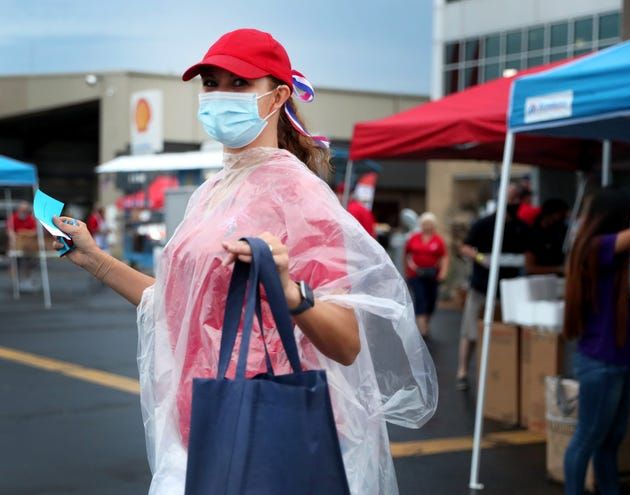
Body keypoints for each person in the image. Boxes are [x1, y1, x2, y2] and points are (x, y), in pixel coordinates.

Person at [51, 28, 437, 495]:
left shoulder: (301, 194)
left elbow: (347, 342)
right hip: (201, 426)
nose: (219, 96)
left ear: (277, 97)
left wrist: (290, 291)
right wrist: (95, 260)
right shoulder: (210, 194)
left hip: (270, 436)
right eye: (211, 83)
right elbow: (173, 302)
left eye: (239, 84)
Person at [563, 188, 630, 495]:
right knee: (588, 437)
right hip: (601, 360)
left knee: (610, 439)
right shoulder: (595, 246)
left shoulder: (608, 249)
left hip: (615, 359)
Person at [456, 184, 530, 390]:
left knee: (504, 332)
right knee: (470, 330)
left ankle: (500, 371)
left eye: (518, 199)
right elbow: (464, 247)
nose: (515, 203)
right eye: (512, 199)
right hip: (481, 286)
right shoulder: (485, 224)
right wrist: (481, 258)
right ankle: (462, 371)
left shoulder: (521, 227)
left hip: (509, 289)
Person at [405, 212, 449, 337]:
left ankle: (426, 321)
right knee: (420, 298)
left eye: (429, 224)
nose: (427, 226)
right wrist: (407, 271)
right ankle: (422, 328)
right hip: (416, 274)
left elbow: (444, 257)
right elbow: (406, 255)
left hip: (432, 274)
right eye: (424, 224)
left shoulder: (438, 240)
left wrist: (443, 272)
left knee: (431, 300)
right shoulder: (414, 238)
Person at [525, 198, 569, 275]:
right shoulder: (534, 234)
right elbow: (530, 268)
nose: (563, 218)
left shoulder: (561, 232)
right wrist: (559, 269)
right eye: (560, 215)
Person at [7, 201, 39, 291]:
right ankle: (16, 282)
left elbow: (35, 232)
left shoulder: (30, 219)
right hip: (16, 245)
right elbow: (10, 232)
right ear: (18, 210)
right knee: (15, 264)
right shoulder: (13, 218)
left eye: (25, 210)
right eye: (22, 210)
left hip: (28, 247)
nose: (23, 212)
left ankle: (27, 280)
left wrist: (24, 233)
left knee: (28, 263)